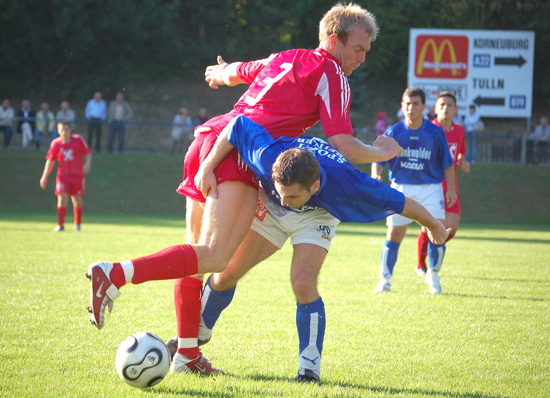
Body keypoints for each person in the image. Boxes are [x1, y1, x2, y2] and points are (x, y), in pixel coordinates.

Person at [86, 2, 402, 377]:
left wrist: (222, 72)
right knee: (215, 257)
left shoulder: (286, 56)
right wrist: (380, 151)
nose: (362, 58)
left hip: (207, 139)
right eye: (359, 49)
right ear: (334, 40)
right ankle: (116, 274)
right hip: (237, 152)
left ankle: (187, 354)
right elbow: (344, 144)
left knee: (194, 257)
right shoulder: (332, 72)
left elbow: (244, 71)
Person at [165, 115, 449, 383]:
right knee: (226, 273)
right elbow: (237, 125)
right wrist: (207, 166)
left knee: (302, 282)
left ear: (314, 186)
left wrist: (434, 226)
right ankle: (194, 338)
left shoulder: (350, 183)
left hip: (318, 215)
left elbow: (402, 202)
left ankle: (309, 370)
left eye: (292, 195)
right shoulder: (268, 156)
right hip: (271, 210)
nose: (287, 199)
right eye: (282, 190)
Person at [371, 87, 456, 294]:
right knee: (394, 234)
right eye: (407, 104)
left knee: (437, 231)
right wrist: (376, 174)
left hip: (430, 189)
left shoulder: (435, 132)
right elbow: (378, 156)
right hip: (401, 188)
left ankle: (434, 276)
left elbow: (447, 162)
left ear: (424, 107)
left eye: (416, 104)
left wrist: (451, 189)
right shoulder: (394, 131)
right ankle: (385, 280)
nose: (411, 108)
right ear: (402, 106)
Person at [416, 92, 470, 277]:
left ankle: (432, 251)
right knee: (429, 226)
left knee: (452, 227)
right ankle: (422, 265)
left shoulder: (460, 131)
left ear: (455, 109)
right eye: (442, 104)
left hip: (451, 186)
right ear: (435, 109)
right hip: (431, 186)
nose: (446, 108)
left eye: (449, 105)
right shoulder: (428, 129)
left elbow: (460, 152)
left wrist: (463, 162)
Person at [40, 122, 92, 232]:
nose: (64, 132)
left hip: (77, 176)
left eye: (66, 129)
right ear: (58, 131)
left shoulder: (78, 140)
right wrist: (44, 176)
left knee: (77, 200)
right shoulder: (56, 144)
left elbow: (87, 152)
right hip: (62, 176)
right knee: (62, 199)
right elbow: (50, 161)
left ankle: (77, 225)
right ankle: (60, 225)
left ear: (70, 130)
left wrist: (87, 163)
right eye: (62, 129)